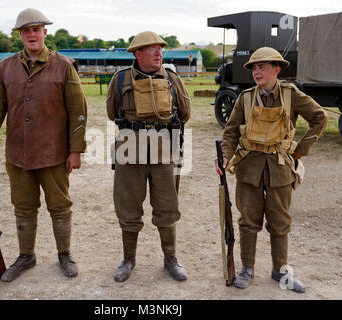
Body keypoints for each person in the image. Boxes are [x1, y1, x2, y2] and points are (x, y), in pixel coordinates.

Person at [0, 8, 87, 282]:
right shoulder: (6, 66)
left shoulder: (64, 65)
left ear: (45, 32)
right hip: (18, 154)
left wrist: (75, 150)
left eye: (36, 29)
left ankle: (64, 254)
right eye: (26, 30)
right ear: (20, 34)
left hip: (54, 153)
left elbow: (78, 111)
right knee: (23, 206)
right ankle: (26, 256)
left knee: (60, 206)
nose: (31, 34)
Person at [215, 47, 328, 293]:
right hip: (249, 169)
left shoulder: (291, 95)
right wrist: (224, 157)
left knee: (279, 221)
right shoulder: (245, 98)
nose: (257, 72)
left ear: (276, 69)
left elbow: (319, 117)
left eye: (262, 67)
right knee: (248, 221)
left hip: (279, 168)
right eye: (254, 68)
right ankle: (247, 268)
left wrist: (302, 148)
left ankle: (280, 270)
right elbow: (231, 131)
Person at [106, 31, 191, 282]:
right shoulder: (120, 79)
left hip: (164, 151)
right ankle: (128, 259)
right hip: (129, 150)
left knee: (167, 206)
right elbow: (113, 112)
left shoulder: (173, 79)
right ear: (138, 53)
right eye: (152, 49)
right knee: (128, 207)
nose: (159, 53)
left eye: (160, 49)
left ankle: (170, 258)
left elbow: (184, 112)